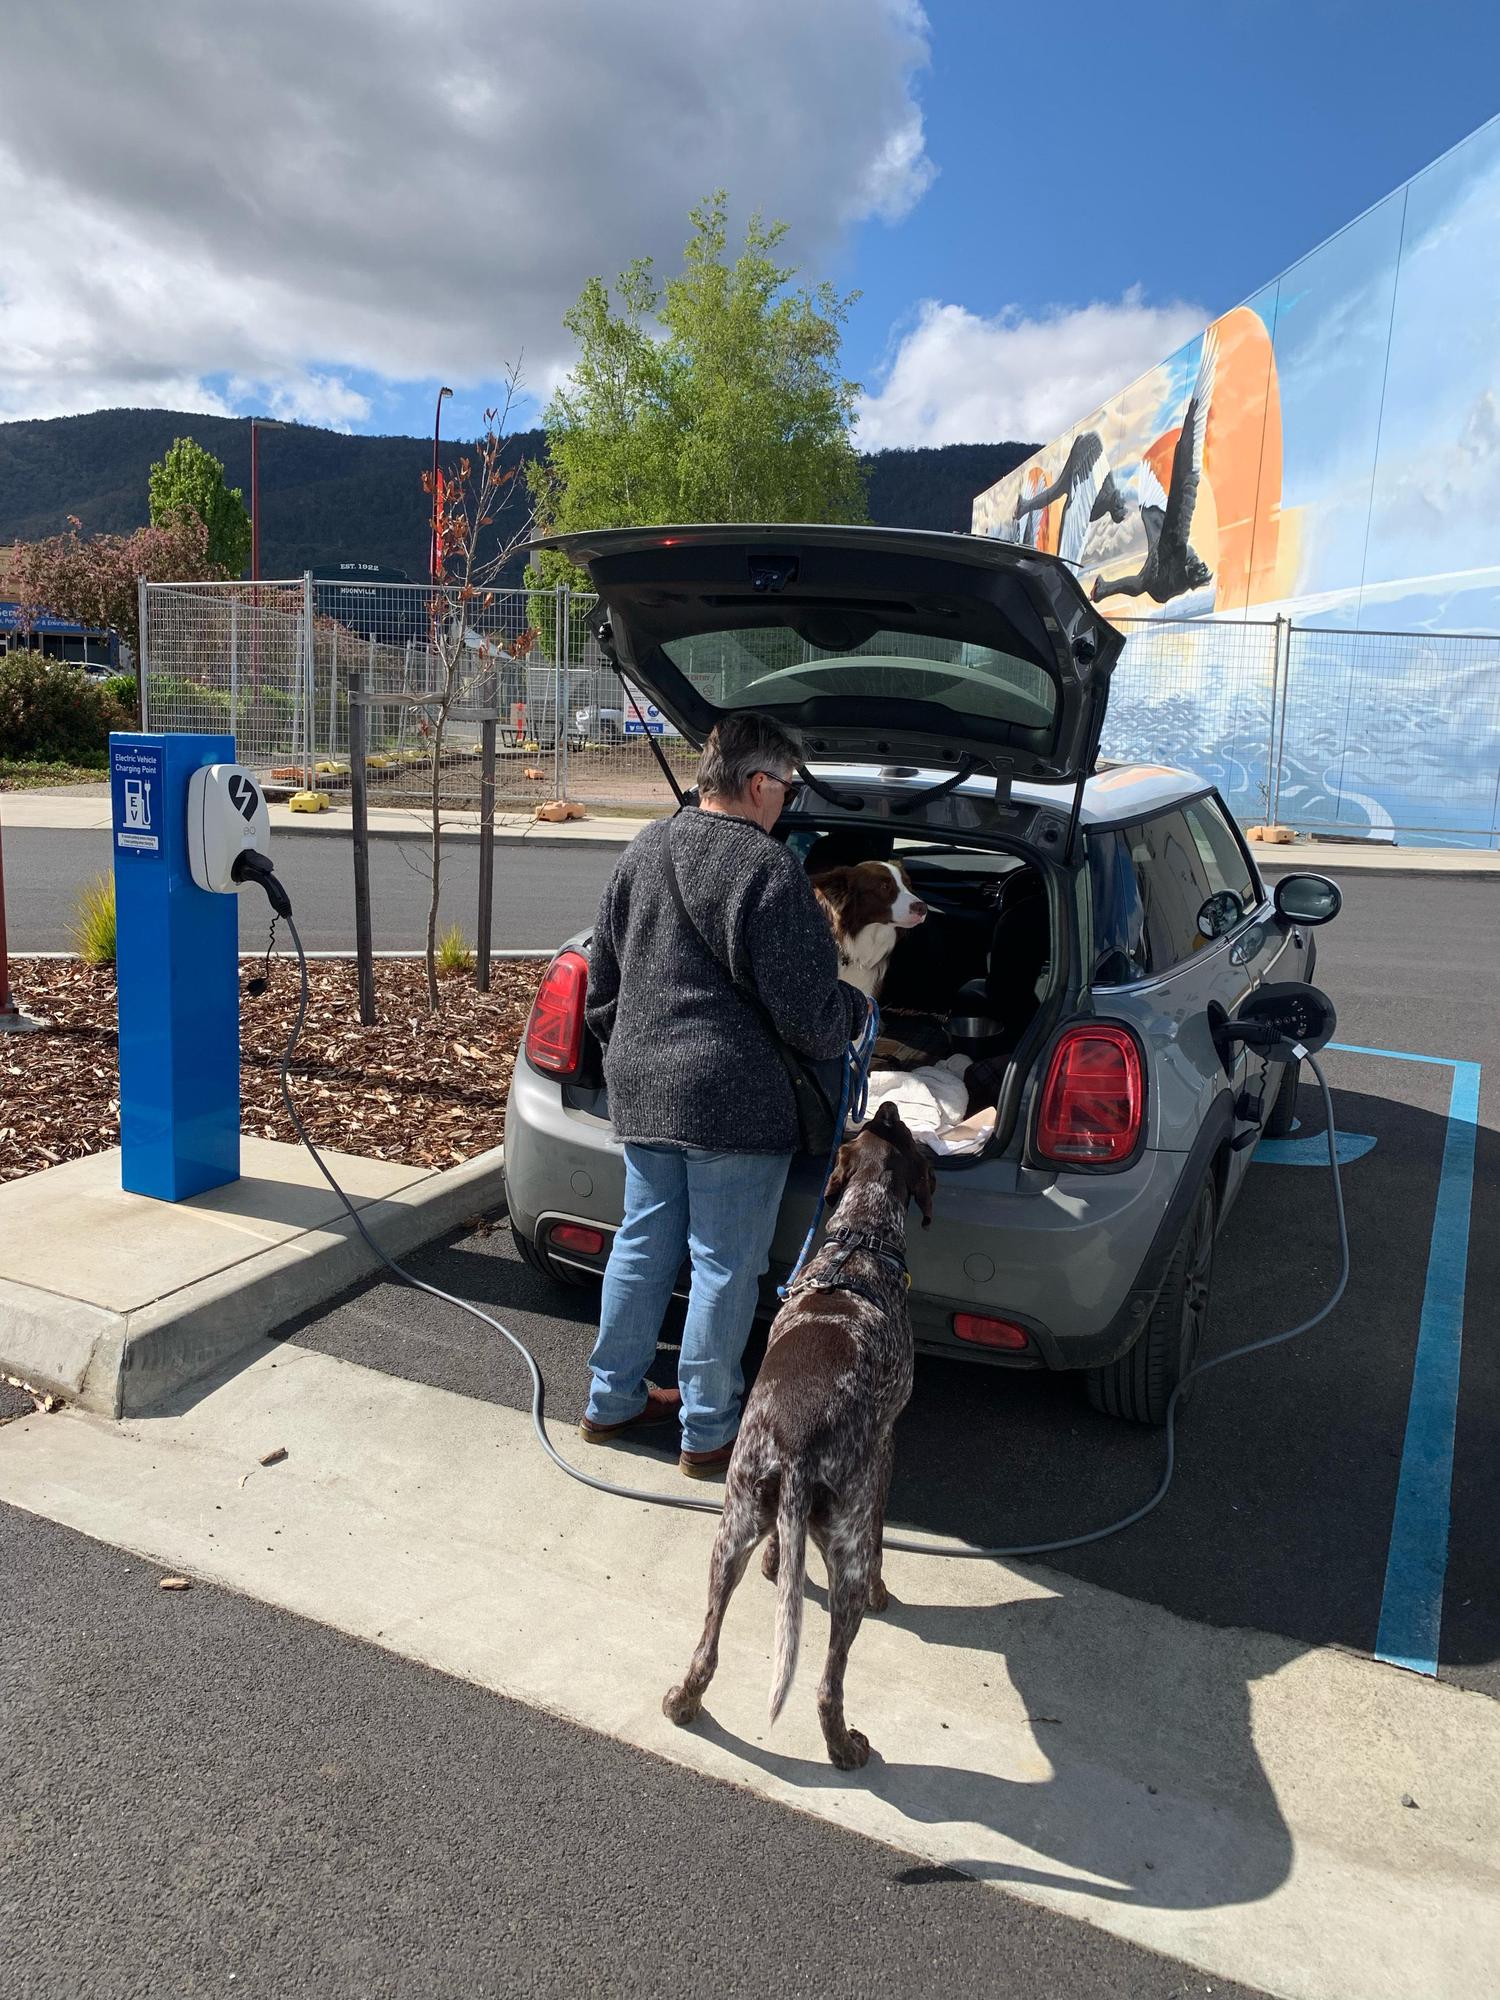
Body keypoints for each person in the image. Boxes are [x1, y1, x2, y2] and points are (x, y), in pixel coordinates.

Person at [579, 712, 868, 1478]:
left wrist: (630, 1054)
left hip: (644, 1091)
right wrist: (854, 1016)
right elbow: (810, 1019)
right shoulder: (770, 873)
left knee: (642, 1244)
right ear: (758, 784)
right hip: (734, 1105)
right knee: (723, 1265)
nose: (789, 804)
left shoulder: (644, 847)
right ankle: (708, 1430)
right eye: (789, 789)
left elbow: (600, 983)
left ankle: (609, 1400)